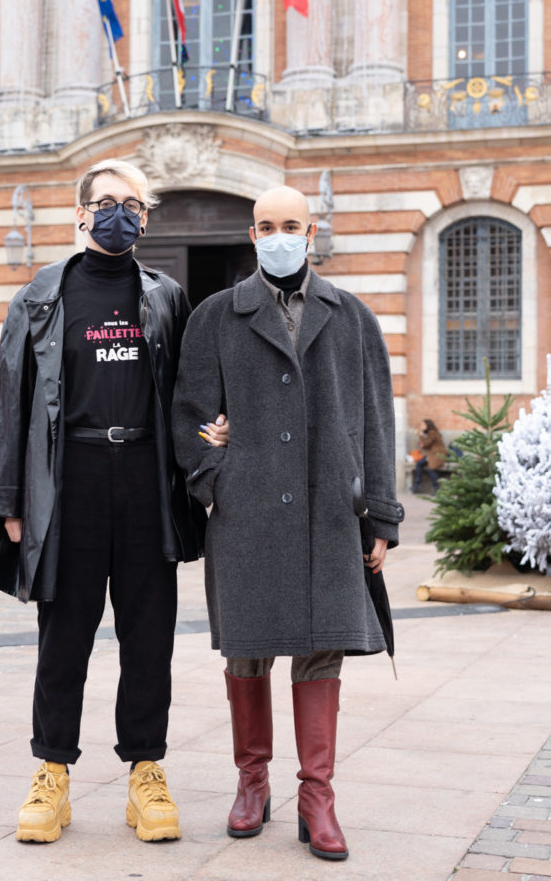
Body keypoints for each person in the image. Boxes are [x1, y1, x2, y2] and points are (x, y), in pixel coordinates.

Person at [0, 159, 205, 845]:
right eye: (105, 202)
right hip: (69, 483)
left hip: (146, 484)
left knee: (148, 640)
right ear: (80, 213)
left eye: (130, 204)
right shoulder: (41, 295)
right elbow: (10, 401)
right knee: (62, 638)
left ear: (145, 218)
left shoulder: (165, 298)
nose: (117, 213)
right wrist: (7, 498)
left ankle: (146, 775)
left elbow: (186, 397)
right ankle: (51, 775)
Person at [172, 185, 404, 861]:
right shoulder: (215, 316)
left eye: (290, 225)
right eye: (266, 225)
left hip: (330, 509)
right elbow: (189, 416)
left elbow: (376, 422)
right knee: (246, 646)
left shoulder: (351, 316)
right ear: (251, 235)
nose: (278, 236)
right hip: (244, 514)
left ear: (311, 232)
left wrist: (381, 515)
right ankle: (252, 782)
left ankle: (316, 794)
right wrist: (216, 479)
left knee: (321, 646)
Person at [412, 418, 447, 493]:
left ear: (428, 425)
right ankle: (417, 484)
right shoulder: (430, 433)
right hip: (431, 455)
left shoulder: (432, 432)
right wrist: (422, 443)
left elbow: (426, 443)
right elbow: (427, 445)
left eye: (423, 424)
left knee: (431, 469)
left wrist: (421, 436)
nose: (421, 426)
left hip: (438, 455)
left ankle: (437, 488)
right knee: (419, 463)